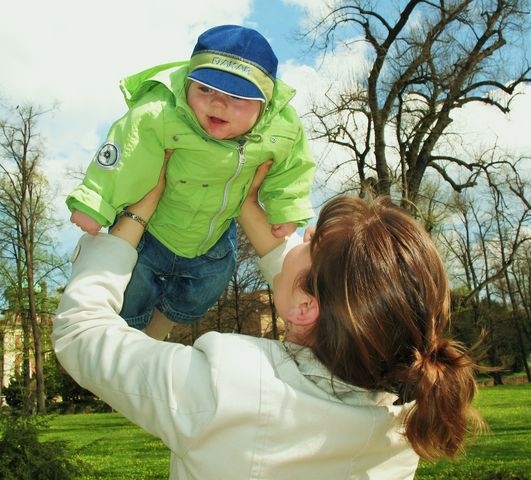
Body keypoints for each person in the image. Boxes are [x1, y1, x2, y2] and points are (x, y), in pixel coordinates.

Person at [53, 163, 484, 480]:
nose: (305, 235)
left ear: (306, 307)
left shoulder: (225, 386)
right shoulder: (404, 418)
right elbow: (309, 284)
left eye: (312, 241)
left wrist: (133, 215)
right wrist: (243, 200)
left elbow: (81, 333)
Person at [66, 24, 315, 338]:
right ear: (187, 82)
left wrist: (286, 208)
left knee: (207, 287)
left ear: (264, 104)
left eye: (236, 97)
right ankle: (130, 335)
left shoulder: (281, 130)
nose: (218, 104)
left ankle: (164, 323)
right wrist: (95, 200)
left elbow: (294, 167)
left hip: (212, 241)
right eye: (206, 89)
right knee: (133, 289)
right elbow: (127, 149)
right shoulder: (162, 113)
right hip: (153, 232)